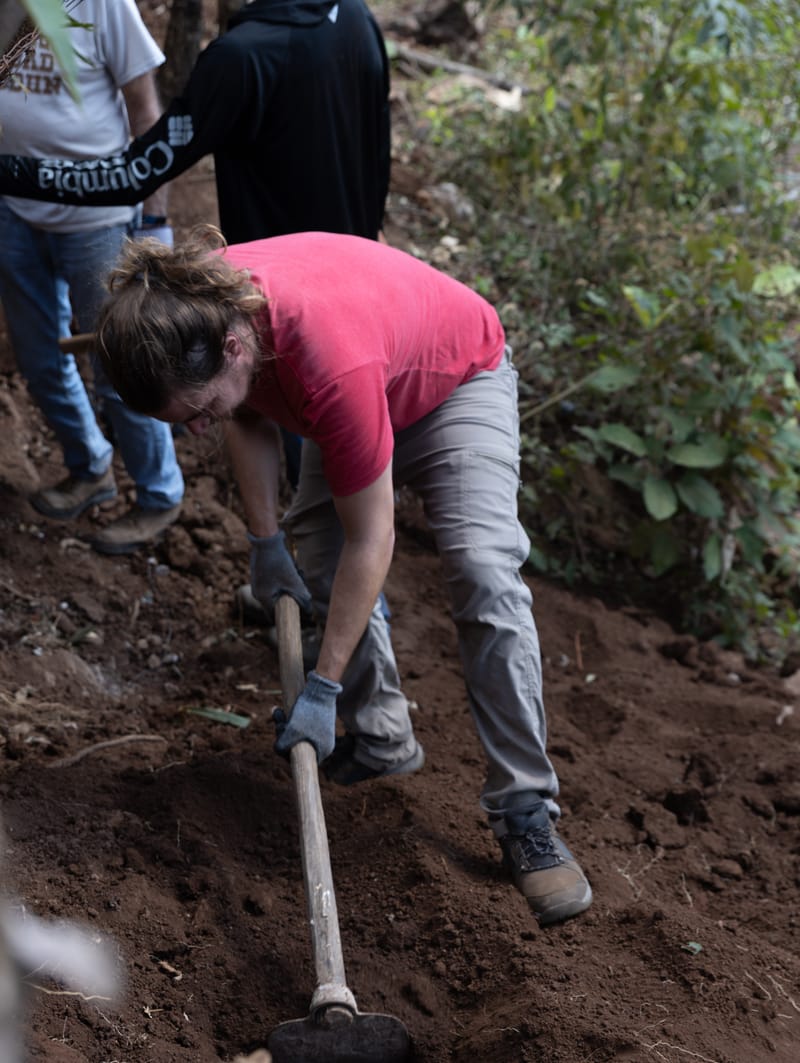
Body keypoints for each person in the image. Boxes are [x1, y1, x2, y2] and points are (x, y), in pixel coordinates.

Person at [93, 227, 594, 927]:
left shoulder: (323, 359)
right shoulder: (198, 309)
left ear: (238, 348)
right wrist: (265, 542)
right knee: (316, 555)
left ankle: (525, 811)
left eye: (199, 412)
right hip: (360, 373)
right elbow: (246, 416)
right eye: (187, 420)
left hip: (452, 379)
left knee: (482, 571)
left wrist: (320, 687)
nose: (199, 431)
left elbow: (374, 538)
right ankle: (384, 736)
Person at [0, 0, 184, 554]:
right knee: (39, 358)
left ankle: (158, 494)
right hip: (15, 208)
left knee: (122, 363)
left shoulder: (104, 4)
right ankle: (90, 466)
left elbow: (146, 113)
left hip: (99, 219)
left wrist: (154, 219)